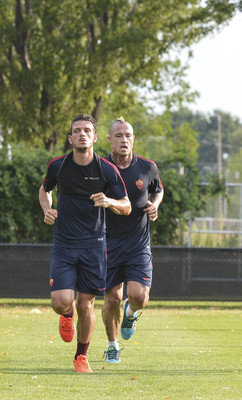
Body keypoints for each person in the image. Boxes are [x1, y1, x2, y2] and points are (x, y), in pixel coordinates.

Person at [39, 114, 131, 373]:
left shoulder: (106, 169)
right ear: (70, 138)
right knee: (61, 301)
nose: (82, 134)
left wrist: (109, 202)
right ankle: (65, 316)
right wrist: (47, 207)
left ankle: (81, 357)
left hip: (94, 245)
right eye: (77, 131)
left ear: (95, 138)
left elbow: (126, 205)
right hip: (65, 244)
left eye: (87, 130)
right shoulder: (58, 166)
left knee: (86, 304)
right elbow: (44, 189)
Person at [101, 117, 164, 363]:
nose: (124, 139)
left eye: (128, 135)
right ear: (109, 140)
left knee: (139, 297)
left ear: (133, 139)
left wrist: (155, 205)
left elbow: (158, 189)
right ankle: (112, 345)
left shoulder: (147, 167)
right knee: (112, 298)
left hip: (138, 245)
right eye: (118, 135)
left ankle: (131, 313)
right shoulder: (100, 167)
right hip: (106, 244)